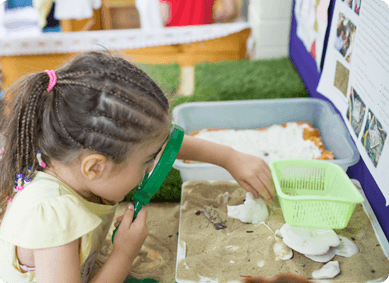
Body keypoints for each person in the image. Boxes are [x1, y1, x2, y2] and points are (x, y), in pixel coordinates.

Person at [0, 51, 274, 283]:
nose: (151, 168)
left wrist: (229, 158)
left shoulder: (64, 154)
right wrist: (124, 254)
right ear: (95, 167)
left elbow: (163, 142)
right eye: (147, 162)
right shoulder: (53, 217)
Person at [158, 0, 237, 27]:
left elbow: (164, 17)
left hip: (176, 43)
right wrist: (208, 16)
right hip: (205, 39)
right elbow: (230, 10)